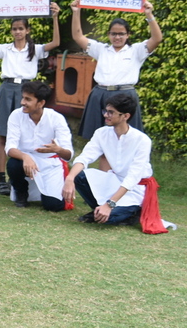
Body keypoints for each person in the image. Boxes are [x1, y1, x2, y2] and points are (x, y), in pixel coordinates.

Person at [0, 3, 61, 195]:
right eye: (14, 29)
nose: (18, 32)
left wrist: (55, 17)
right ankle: (1, 179)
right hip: (7, 89)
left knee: (26, 133)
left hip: (29, 90)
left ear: (27, 30)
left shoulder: (36, 49)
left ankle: (26, 174)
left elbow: (55, 43)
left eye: (21, 28)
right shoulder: (5, 49)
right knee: (3, 135)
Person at [62, 93, 166, 233]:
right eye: (105, 111)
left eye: (111, 112)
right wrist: (70, 178)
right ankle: (100, 211)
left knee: (110, 219)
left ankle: (132, 212)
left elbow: (133, 178)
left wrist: (110, 204)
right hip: (114, 180)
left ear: (126, 116)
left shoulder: (142, 140)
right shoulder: (101, 133)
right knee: (79, 176)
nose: (106, 115)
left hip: (135, 188)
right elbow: (85, 157)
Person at [71, 0, 162, 139]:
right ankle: (103, 159)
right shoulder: (101, 49)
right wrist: (76, 13)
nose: (117, 37)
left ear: (128, 35)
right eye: (114, 34)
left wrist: (149, 15)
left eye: (121, 34)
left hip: (125, 95)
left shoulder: (136, 50)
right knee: (100, 137)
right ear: (109, 35)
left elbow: (156, 39)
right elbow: (78, 37)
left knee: (127, 136)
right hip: (100, 95)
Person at [4, 80, 73, 211]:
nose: (22, 102)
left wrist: (58, 150)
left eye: (28, 99)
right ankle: (21, 193)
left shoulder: (56, 118)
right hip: (24, 163)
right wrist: (25, 157)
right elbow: (9, 148)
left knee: (54, 206)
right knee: (13, 164)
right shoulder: (16, 115)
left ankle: (48, 193)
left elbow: (69, 154)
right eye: (23, 98)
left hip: (50, 164)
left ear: (41, 103)